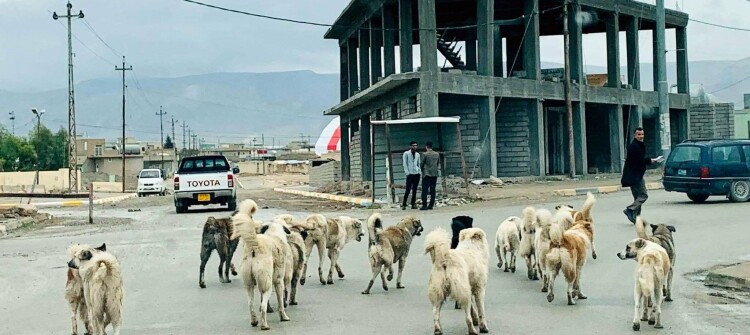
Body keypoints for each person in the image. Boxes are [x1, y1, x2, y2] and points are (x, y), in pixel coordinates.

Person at [621, 127, 662, 223]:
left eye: (642, 134)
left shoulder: (638, 145)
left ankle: (636, 218)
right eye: (639, 134)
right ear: (635, 135)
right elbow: (638, 161)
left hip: (634, 175)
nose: (641, 136)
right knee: (643, 195)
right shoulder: (634, 146)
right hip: (635, 176)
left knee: (637, 197)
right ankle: (630, 210)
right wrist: (651, 160)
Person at [420, 141, 440, 210]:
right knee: (432, 189)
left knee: (424, 190)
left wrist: (422, 170)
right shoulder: (436, 154)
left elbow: (422, 163)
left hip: (427, 174)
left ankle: (424, 205)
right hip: (434, 173)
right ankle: (431, 205)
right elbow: (437, 163)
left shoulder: (424, 154)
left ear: (426, 146)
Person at [402, 141, 421, 210]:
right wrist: (407, 173)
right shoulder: (406, 153)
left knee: (415, 189)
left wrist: (419, 172)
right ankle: (404, 204)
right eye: (413, 146)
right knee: (408, 189)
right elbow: (405, 163)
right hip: (410, 173)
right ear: (410, 146)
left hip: (416, 173)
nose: (414, 147)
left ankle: (413, 204)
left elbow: (418, 163)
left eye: (415, 146)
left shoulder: (417, 154)